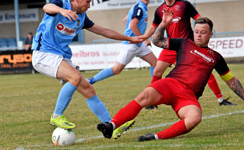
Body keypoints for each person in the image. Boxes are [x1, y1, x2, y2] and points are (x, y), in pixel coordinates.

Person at [96, 9, 244, 142]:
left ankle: (154, 137)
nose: (198, 35)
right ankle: (111, 125)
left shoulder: (216, 57)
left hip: (188, 96)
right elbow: (157, 41)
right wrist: (164, 24)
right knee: (144, 95)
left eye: (203, 32)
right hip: (170, 84)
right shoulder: (185, 43)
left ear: (211, 34)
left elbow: (231, 81)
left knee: (195, 118)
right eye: (196, 31)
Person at [31, 0, 146, 130]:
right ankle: (56, 116)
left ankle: (111, 126)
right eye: (87, 2)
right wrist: (61, 10)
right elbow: (46, 7)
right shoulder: (61, 3)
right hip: (43, 54)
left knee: (88, 89)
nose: (89, 6)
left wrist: (129, 38)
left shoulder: (82, 18)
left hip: (59, 56)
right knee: (76, 78)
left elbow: (103, 31)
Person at [144, 0, 235, 108]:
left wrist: (205, 30)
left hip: (188, 47)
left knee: (205, 72)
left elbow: (199, 19)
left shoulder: (184, 5)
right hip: (170, 46)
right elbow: (153, 27)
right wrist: (142, 37)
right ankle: (150, 101)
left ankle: (220, 99)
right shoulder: (160, 10)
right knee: (157, 71)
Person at [88, 0, 157, 86]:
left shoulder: (139, 7)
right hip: (130, 44)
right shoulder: (139, 8)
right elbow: (132, 25)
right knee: (116, 70)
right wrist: (144, 39)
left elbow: (125, 20)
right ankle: (90, 81)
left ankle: (154, 87)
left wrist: (138, 37)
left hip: (139, 43)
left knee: (154, 63)